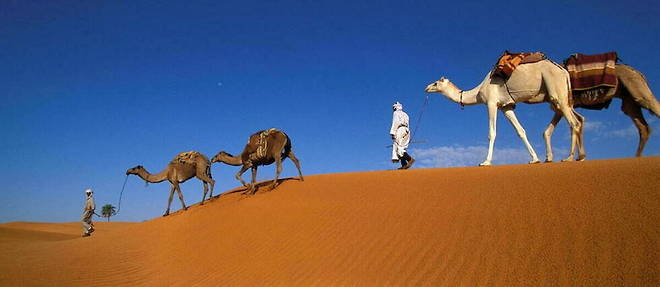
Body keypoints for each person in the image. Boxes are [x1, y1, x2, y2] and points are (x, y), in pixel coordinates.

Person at [390, 101, 415, 169]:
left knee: (399, 148)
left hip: (400, 130)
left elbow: (395, 122)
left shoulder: (396, 113)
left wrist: (392, 132)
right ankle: (404, 164)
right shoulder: (406, 114)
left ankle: (410, 159)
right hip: (406, 131)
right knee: (400, 148)